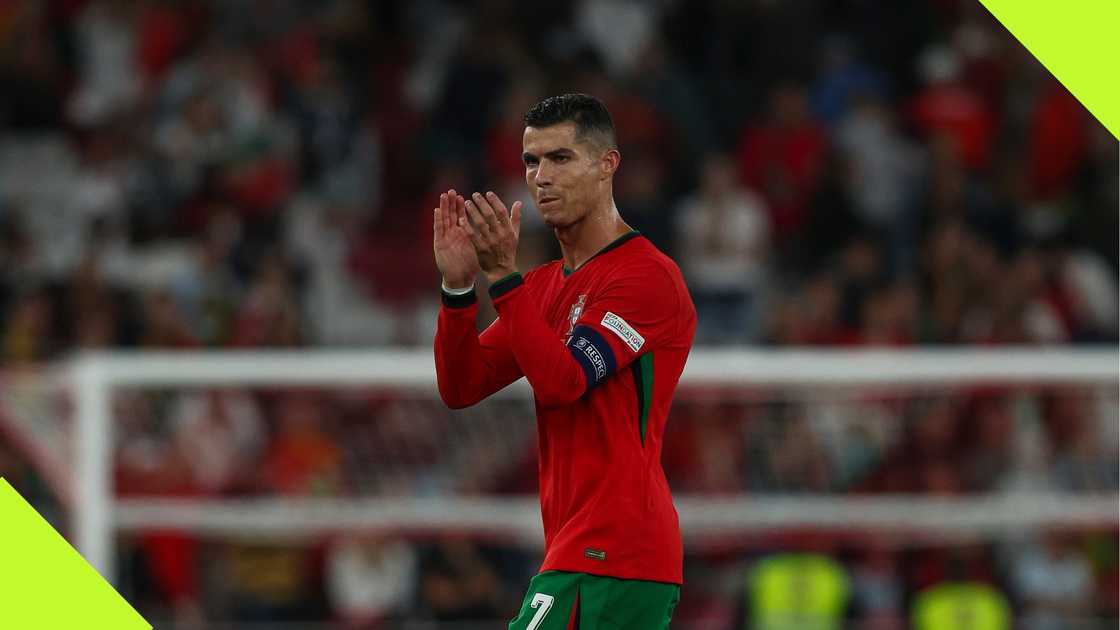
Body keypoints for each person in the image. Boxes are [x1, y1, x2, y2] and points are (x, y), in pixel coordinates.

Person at [432, 93, 696, 630]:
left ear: (607, 165)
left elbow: (565, 382)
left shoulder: (646, 278)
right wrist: (459, 291)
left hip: (616, 552)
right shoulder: (545, 288)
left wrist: (503, 278)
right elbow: (462, 385)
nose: (541, 176)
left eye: (561, 158)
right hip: (583, 552)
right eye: (532, 161)